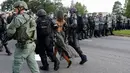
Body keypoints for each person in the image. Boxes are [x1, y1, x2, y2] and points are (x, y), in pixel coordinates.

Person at [5, 1, 40, 73]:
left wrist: (5, 38)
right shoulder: (31, 17)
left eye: (16, 8)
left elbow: (10, 31)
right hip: (31, 44)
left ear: (20, 8)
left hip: (23, 45)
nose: (15, 10)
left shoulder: (18, 18)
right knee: (33, 64)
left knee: (17, 65)